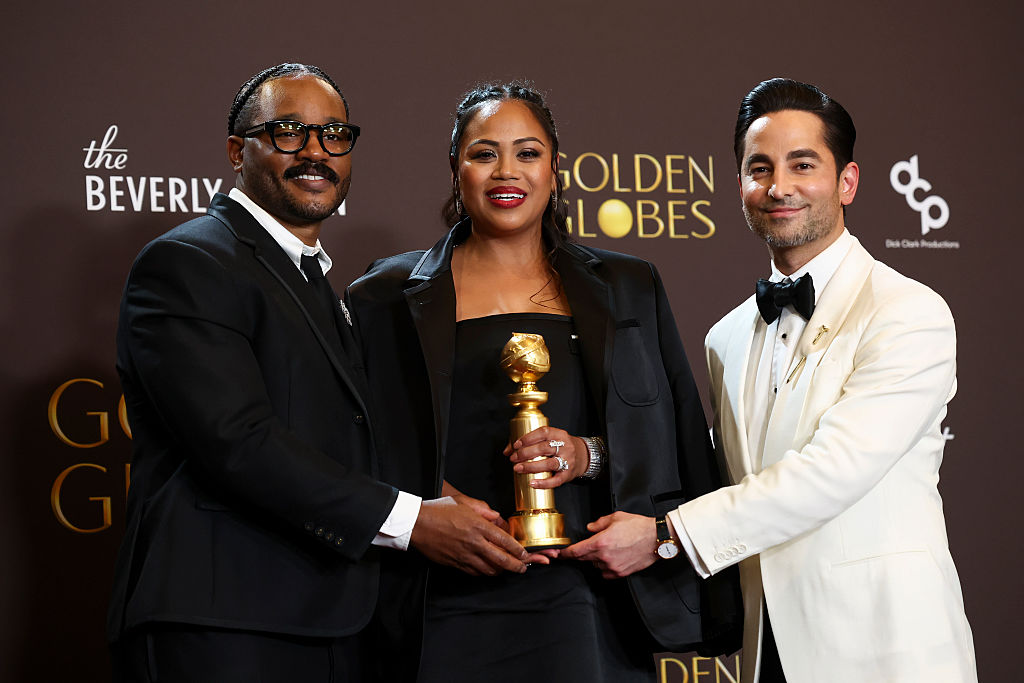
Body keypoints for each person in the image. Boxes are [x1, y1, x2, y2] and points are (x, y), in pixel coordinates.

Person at [107, 63, 533, 683]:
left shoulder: (317, 282)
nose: (316, 152)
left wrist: (427, 497)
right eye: (288, 132)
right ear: (236, 150)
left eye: (335, 135)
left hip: (332, 619)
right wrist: (412, 520)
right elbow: (238, 442)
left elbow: (334, 436)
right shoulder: (189, 262)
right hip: (224, 625)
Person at [563, 78, 978, 683]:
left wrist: (667, 535)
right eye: (760, 168)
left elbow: (832, 470)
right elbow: (711, 462)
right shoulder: (726, 337)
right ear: (739, 188)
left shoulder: (909, 311)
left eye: (802, 164)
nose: (779, 186)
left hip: (889, 650)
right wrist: (591, 455)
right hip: (769, 652)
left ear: (848, 182)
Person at [347, 82, 741, 682]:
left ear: (556, 170)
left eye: (527, 153)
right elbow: (353, 441)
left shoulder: (629, 285)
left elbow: (674, 435)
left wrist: (588, 454)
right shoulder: (383, 296)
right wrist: (433, 502)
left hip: (589, 602)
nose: (507, 171)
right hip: (438, 599)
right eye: (484, 153)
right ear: (456, 170)